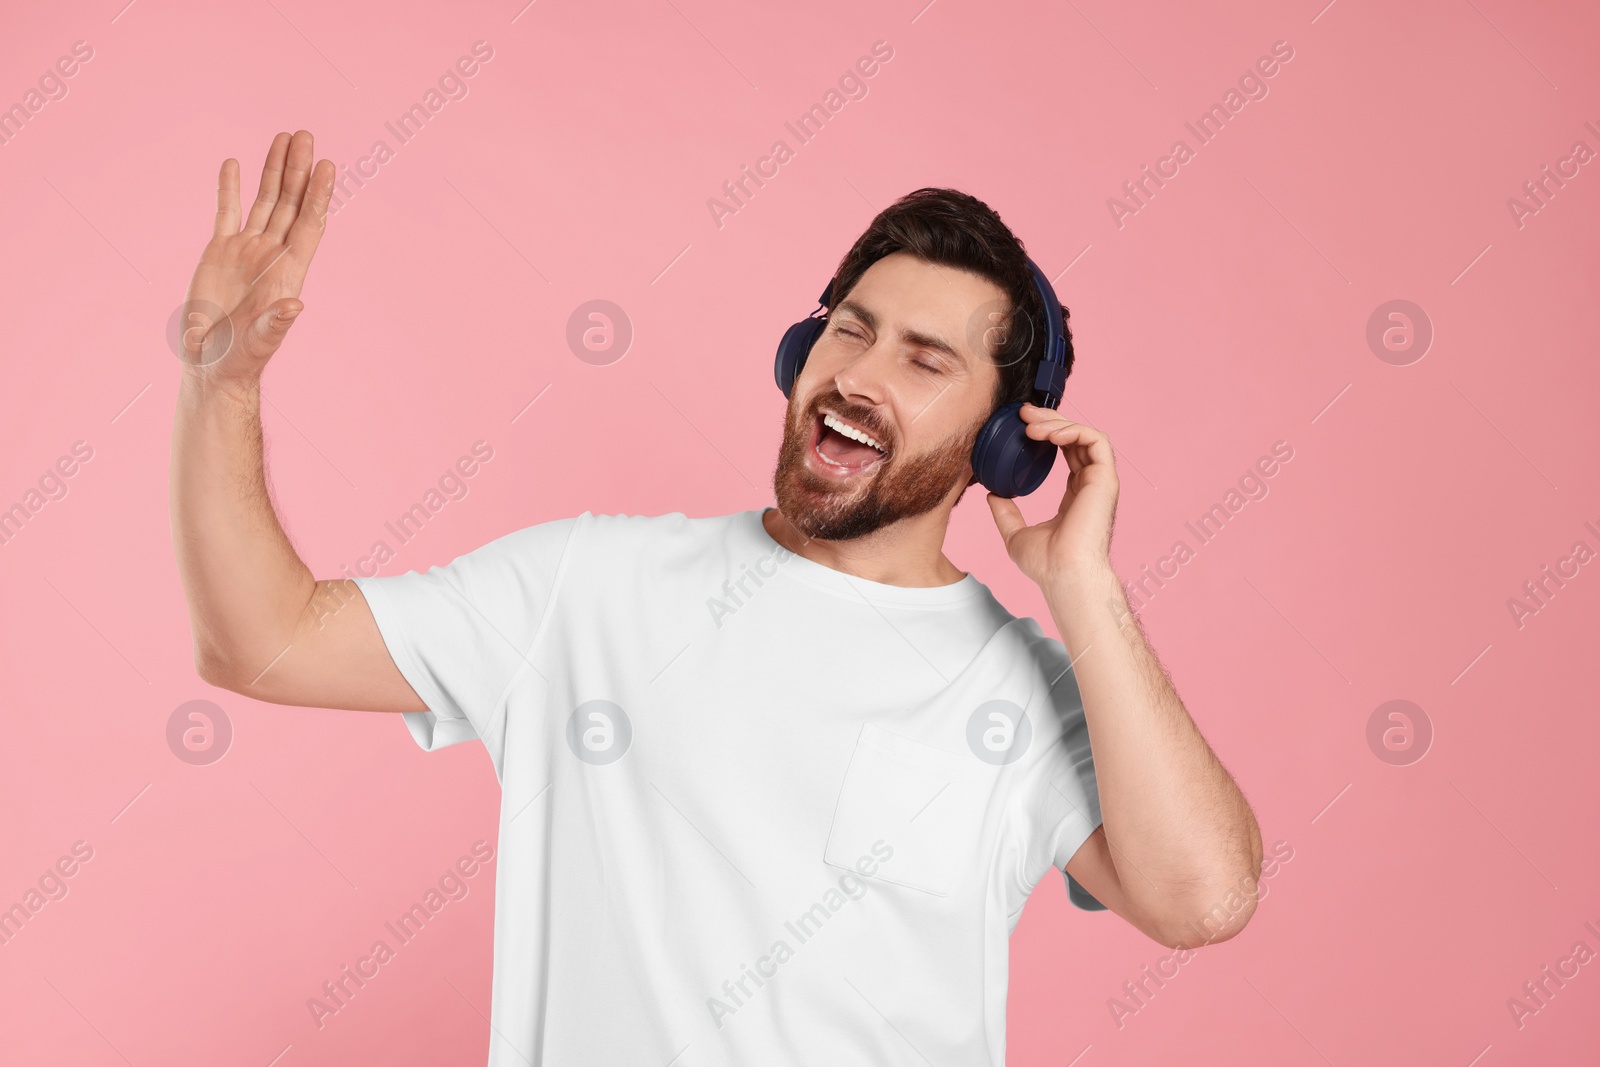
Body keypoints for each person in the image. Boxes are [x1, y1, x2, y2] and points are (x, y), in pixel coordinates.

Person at [172, 129, 1262, 1066]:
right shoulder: (586, 585)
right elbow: (259, 643)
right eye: (849, 327)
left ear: (996, 442)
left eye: (924, 360)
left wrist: (1084, 587)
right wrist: (218, 384)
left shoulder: (1022, 686)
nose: (859, 373)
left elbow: (1201, 899)